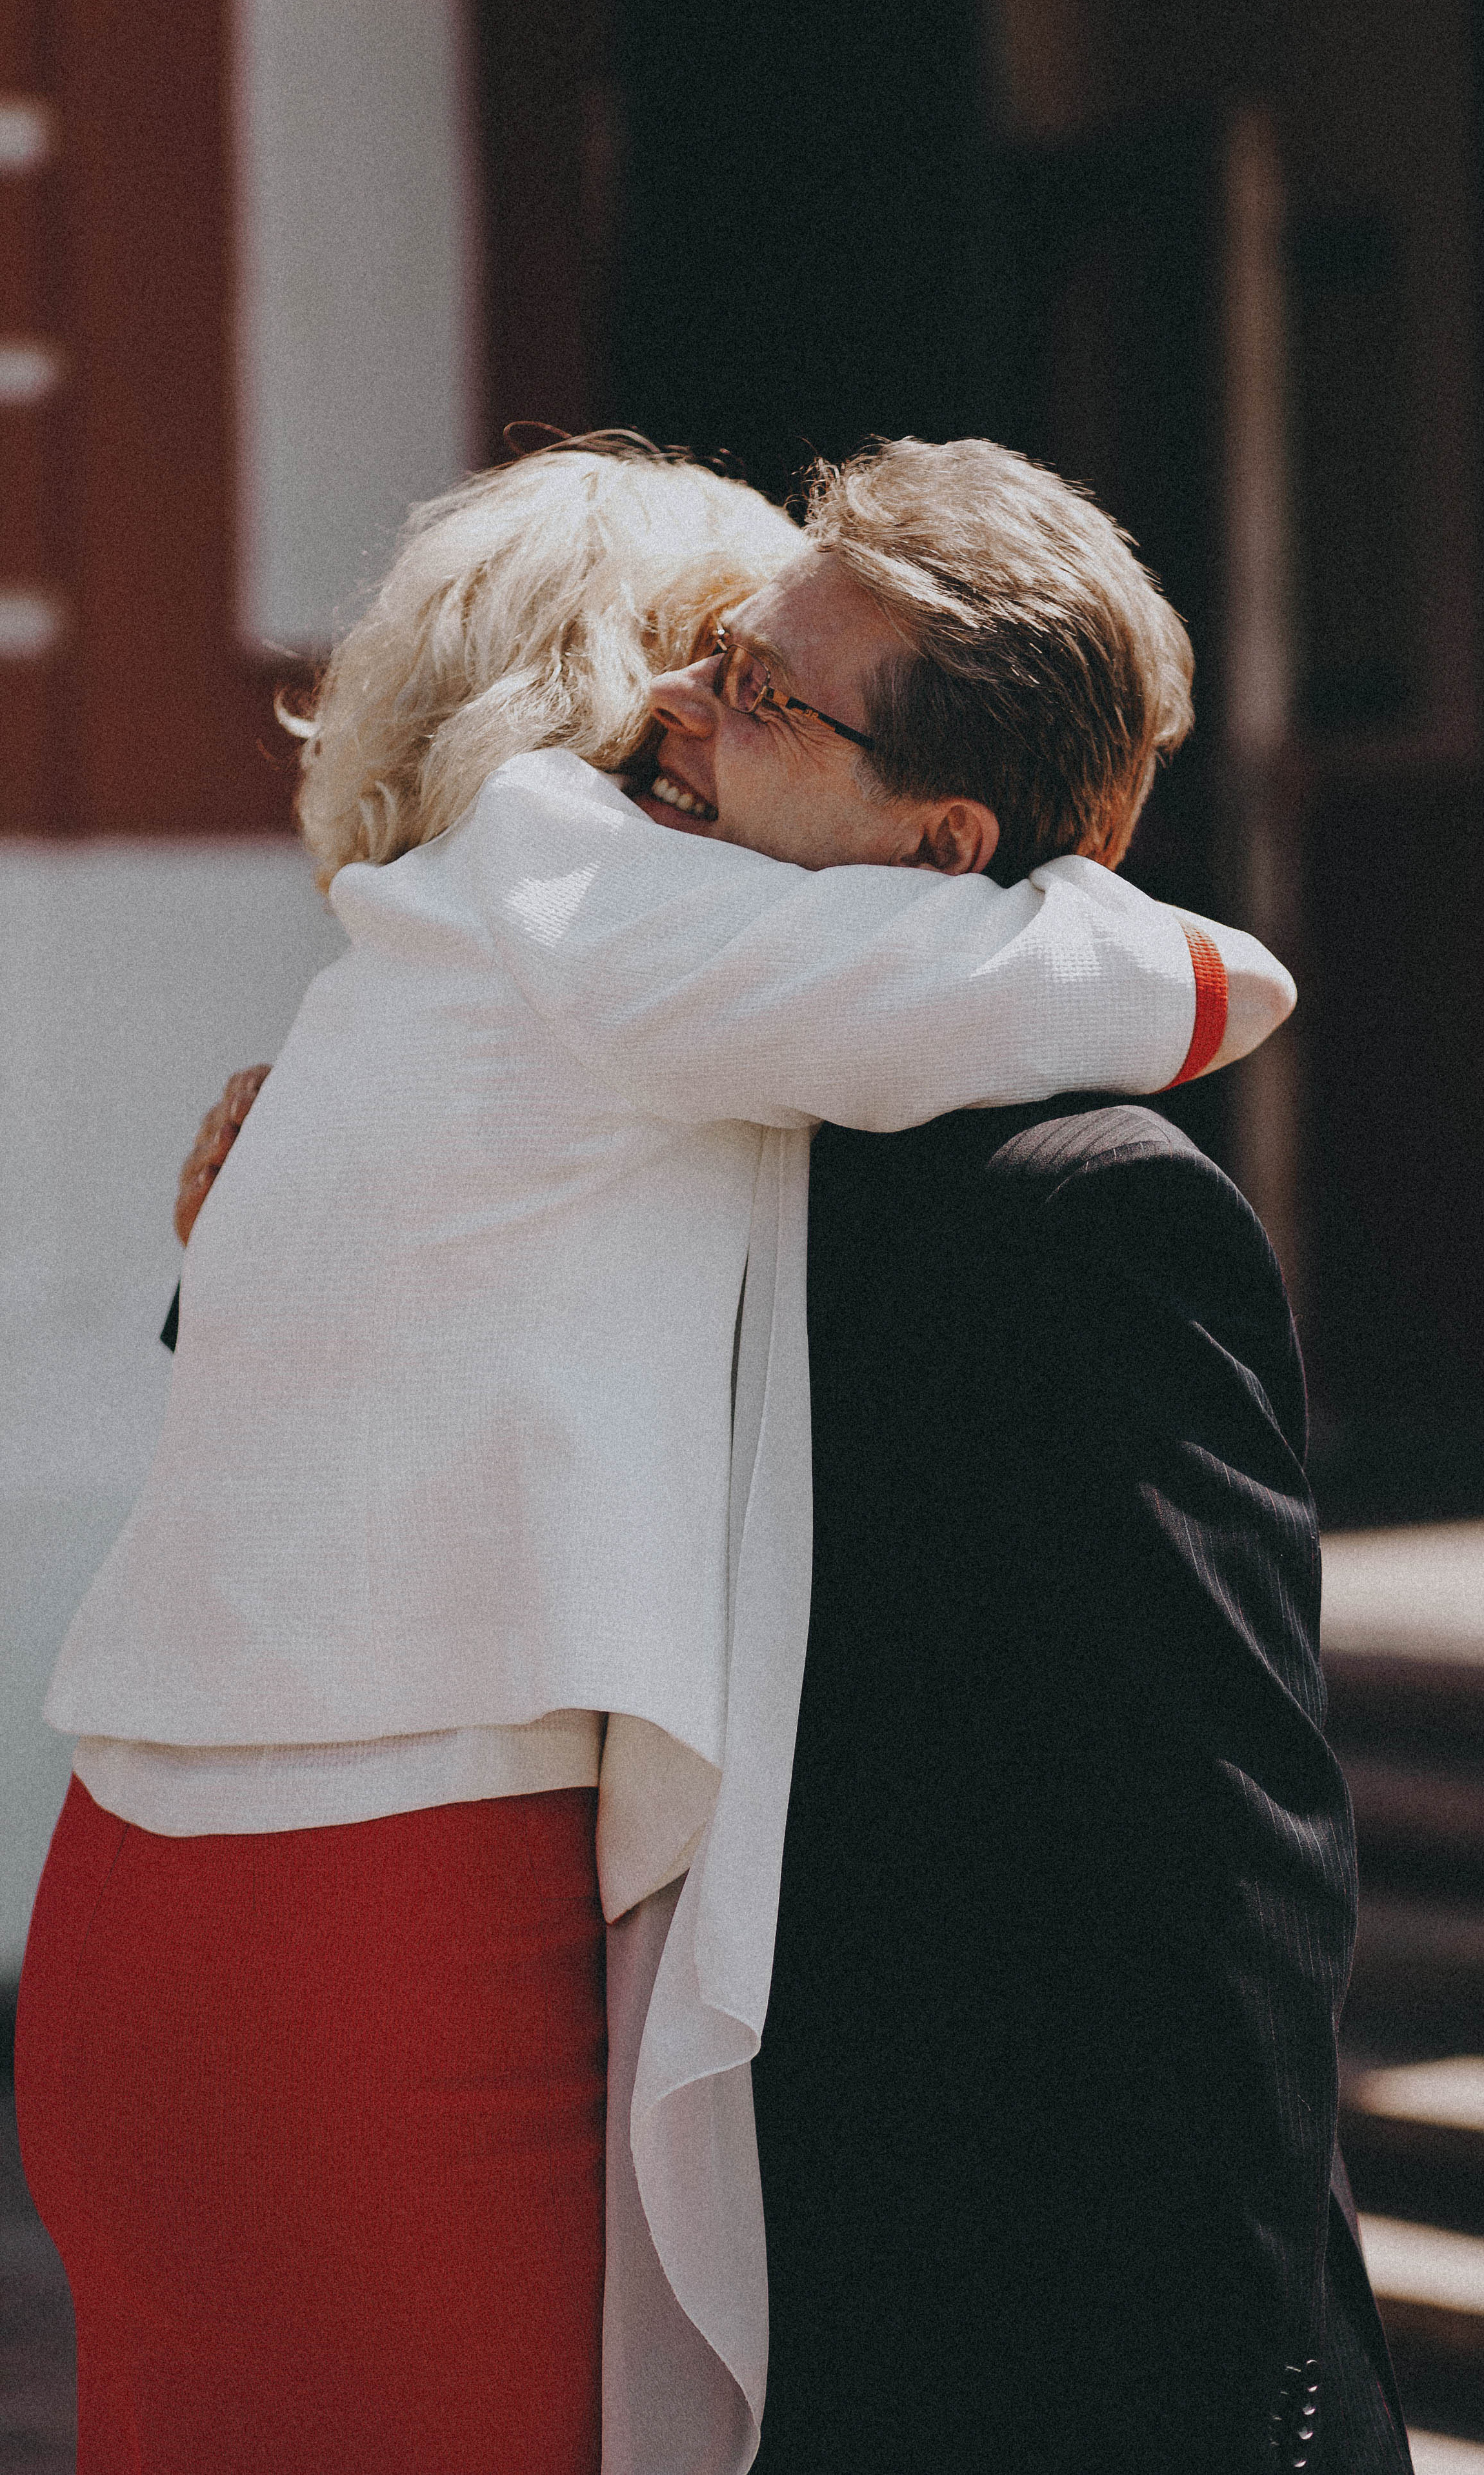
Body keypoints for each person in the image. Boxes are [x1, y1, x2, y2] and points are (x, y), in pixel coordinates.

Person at [15, 432, 1292, 2475]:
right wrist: (1150, 916)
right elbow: (1138, 978)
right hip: (387, 1914)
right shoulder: (586, 888)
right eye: (698, 661)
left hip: (136, 1908)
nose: (694, 712)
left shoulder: (426, 987)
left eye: (754, 684)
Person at [755, 1098, 1413, 2474]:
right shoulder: (705, 1212)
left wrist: (1254, 2419)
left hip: (1128, 2346)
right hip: (855, 2321)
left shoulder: (1092, 1207)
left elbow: (1243, 1894)